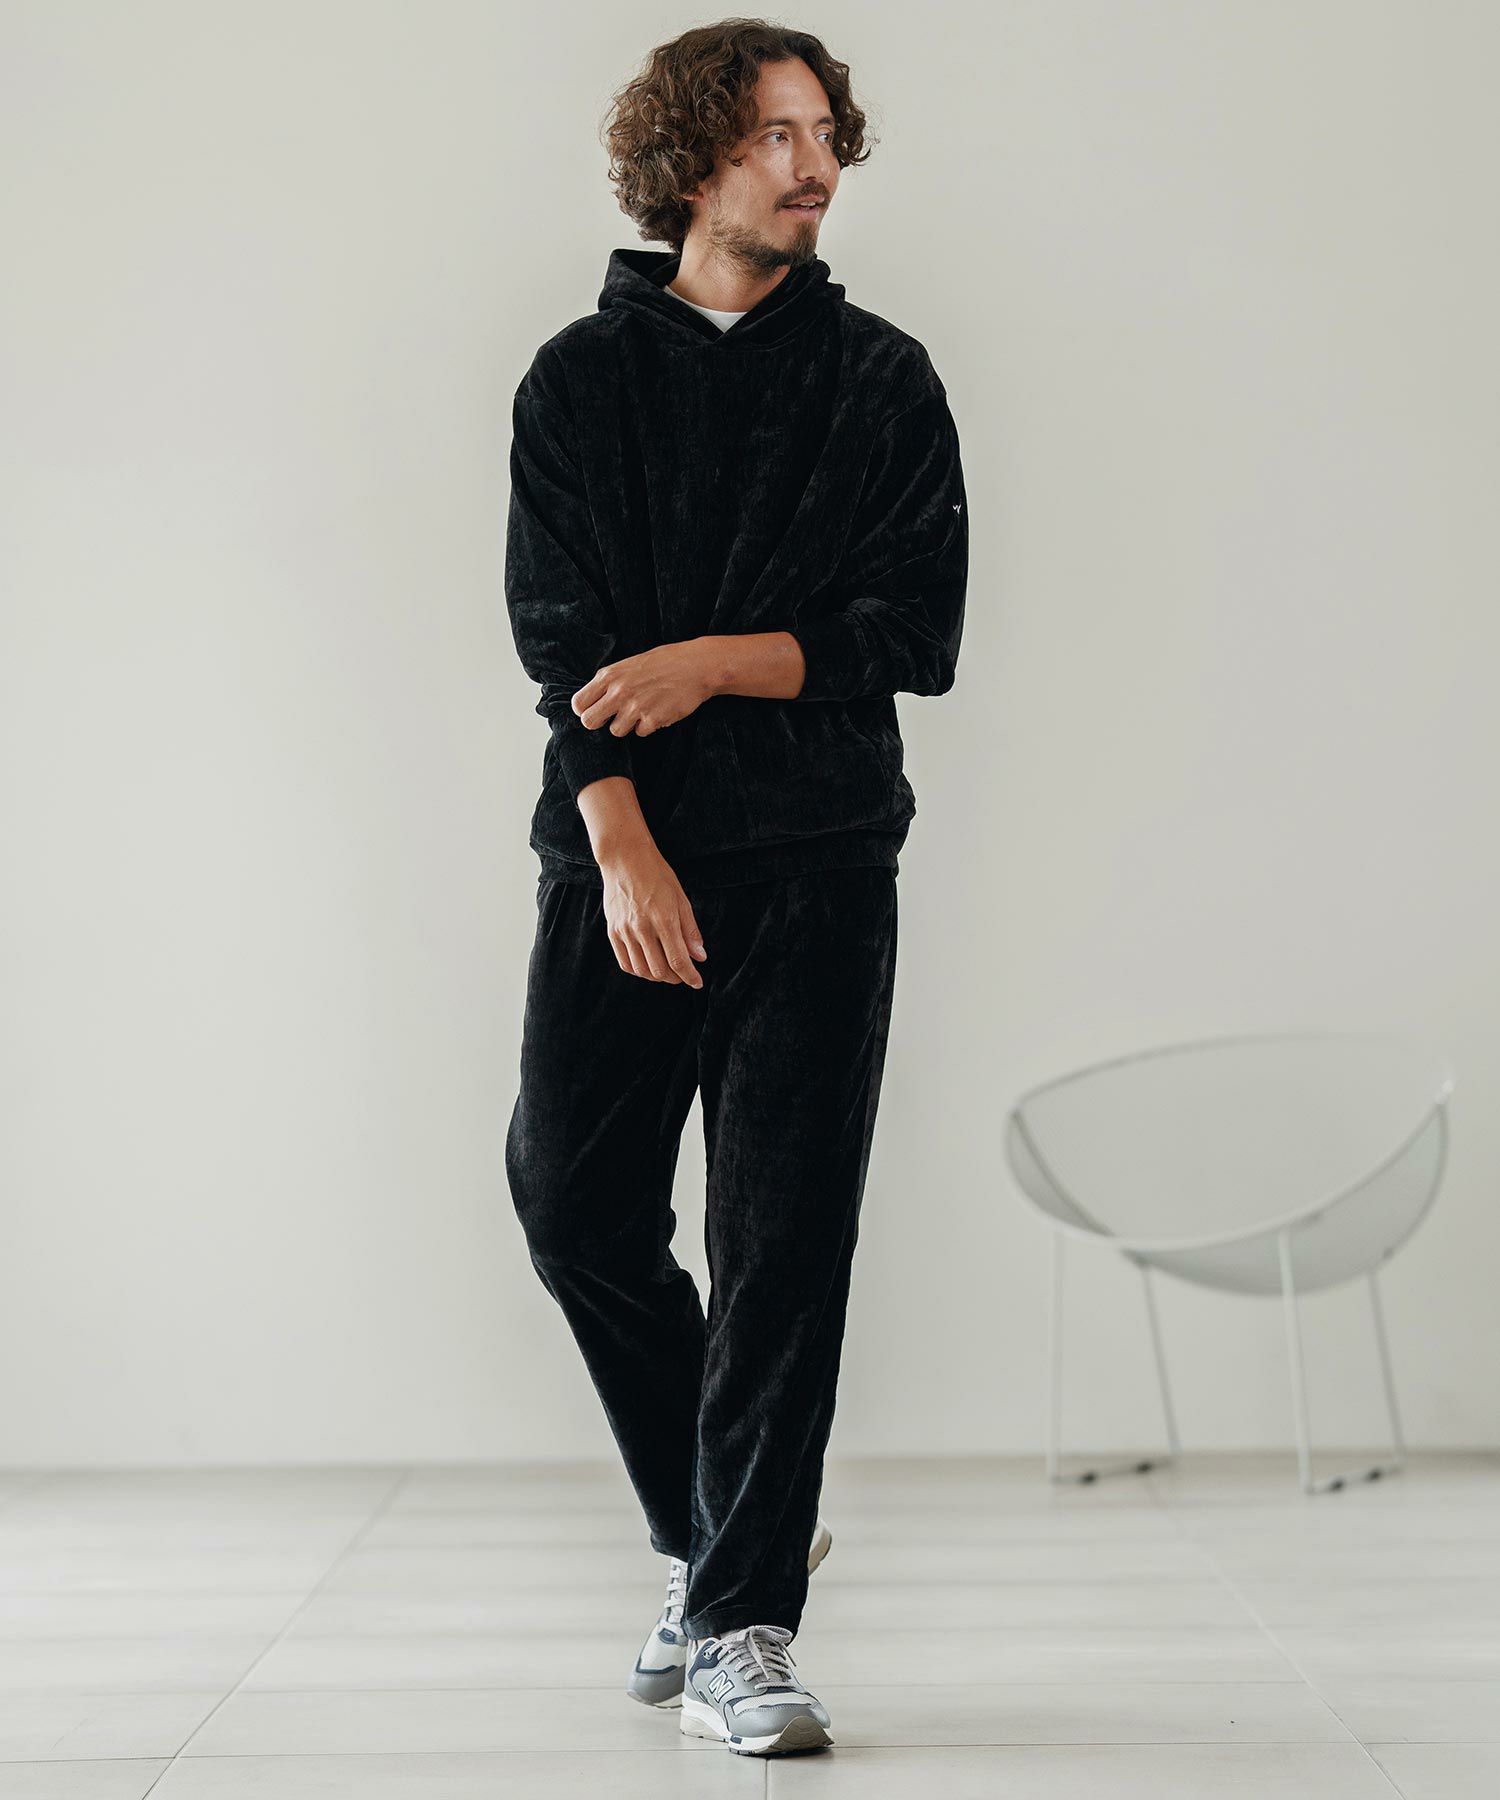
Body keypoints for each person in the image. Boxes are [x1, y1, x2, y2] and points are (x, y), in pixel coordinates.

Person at [503, 18, 968, 1758]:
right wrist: (620, 840)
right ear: (692, 158)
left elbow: (913, 631)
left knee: (783, 1244)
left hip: (822, 861)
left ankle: (742, 1624)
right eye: (776, 133)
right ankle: (712, 1536)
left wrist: (707, 660)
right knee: (574, 1205)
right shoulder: (576, 380)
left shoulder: (884, 379)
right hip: (619, 856)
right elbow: (559, 636)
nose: (814, 162)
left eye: (825, 130)